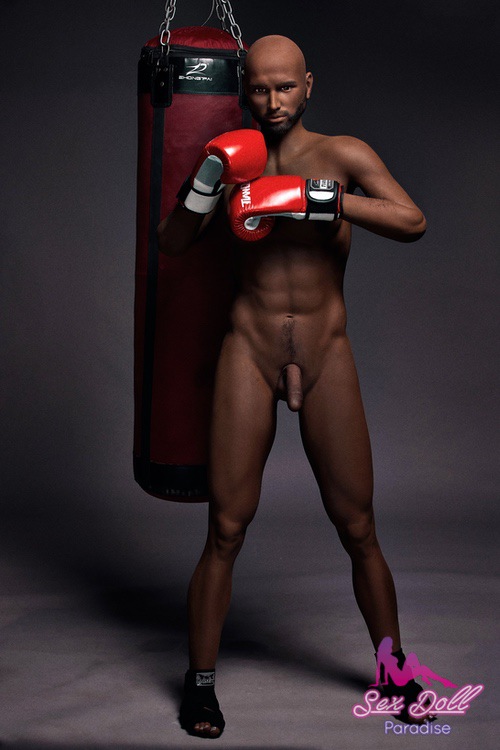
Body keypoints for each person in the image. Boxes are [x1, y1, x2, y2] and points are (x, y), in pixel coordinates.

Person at [158, 34, 427, 739]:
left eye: (284, 87)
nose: (272, 102)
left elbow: (412, 221)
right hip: (247, 350)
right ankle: (200, 683)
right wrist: (208, 178)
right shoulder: (231, 158)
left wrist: (318, 198)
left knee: (359, 527)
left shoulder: (343, 154)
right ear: (243, 91)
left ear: (308, 85)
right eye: (258, 88)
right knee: (226, 528)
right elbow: (172, 243)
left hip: (326, 352)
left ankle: (396, 676)